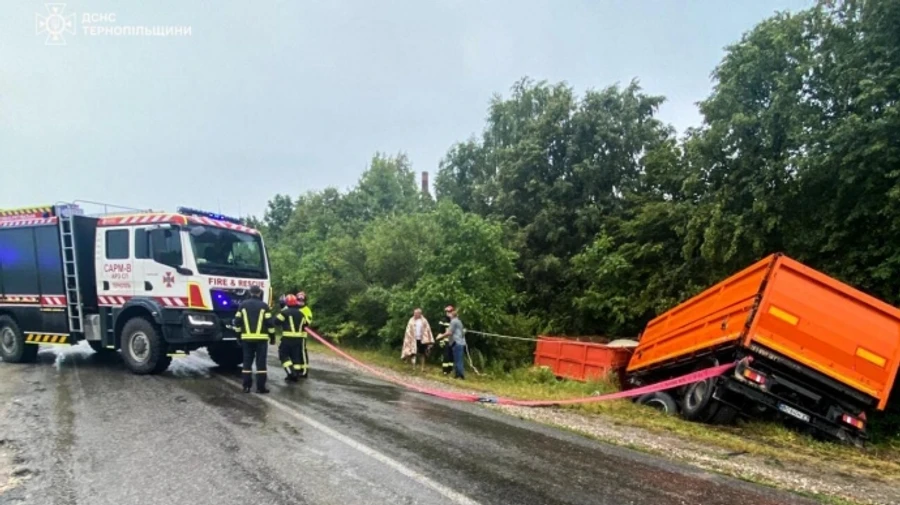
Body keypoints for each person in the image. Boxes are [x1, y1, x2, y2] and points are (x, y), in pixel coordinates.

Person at [233, 285, 276, 393]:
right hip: (261, 339)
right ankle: (261, 387)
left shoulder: (242, 305)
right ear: (259, 293)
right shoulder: (264, 306)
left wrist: (238, 336)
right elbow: (270, 324)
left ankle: (246, 387)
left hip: (247, 339)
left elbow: (237, 322)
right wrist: (272, 337)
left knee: (247, 362)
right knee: (261, 363)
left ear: (250, 292)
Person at [275, 294, 306, 382]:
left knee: (283, 355)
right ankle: (296, 373)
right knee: (295, 357)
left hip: (287, 339)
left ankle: (291, 372)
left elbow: (276, 322)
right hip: (298, 340)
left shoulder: (284, 313)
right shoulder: (301, 314)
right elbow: (306, 324)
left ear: (286, 303)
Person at [437, 305, 466, 379]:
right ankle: (447, 371)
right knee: (449, 357)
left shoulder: (454, 321)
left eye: (449, 312)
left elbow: (449, 333)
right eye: (447, 311)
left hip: (455, 342)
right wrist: (441, 340)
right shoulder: (446, 320)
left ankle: (456, 373)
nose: (448, 313)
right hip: (450, 341)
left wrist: (440, 337)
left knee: (454, 358)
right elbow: (441, 330)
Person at [293, 291, 313, 378]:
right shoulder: (293, 308)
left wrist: (300, 322)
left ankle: (304, 371)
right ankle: (296, 370)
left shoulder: (307, 310)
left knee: (302, 352)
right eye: (298, 300)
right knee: (294, 353)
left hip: (301, 335)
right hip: (293, 335)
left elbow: (308, 321)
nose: (300, 302)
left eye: (302, 300)